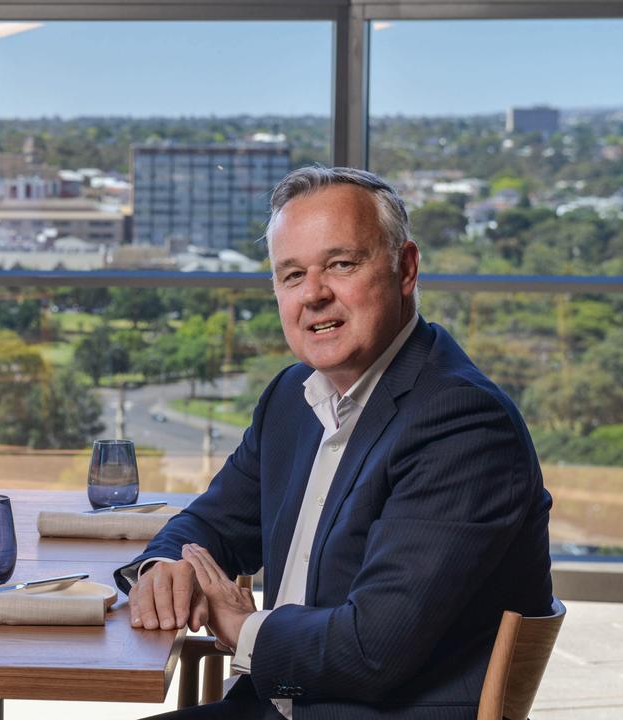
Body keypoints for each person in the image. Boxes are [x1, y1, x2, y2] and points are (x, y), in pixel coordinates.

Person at [117, 166, 553, 719]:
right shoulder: (291, 397)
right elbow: (212, 522)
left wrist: (240, 625)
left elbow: (374, 650)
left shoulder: (462, 424)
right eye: (292, 274)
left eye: (341, 264)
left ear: (406, 268)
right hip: (279, 706)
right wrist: (163, 567)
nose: (314, 294)